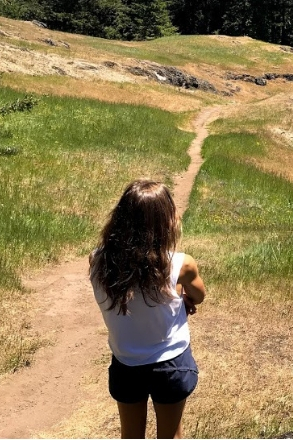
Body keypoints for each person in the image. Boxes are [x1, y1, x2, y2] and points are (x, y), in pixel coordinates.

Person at [90, 179, 207, 439]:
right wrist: (181, 297)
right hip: (170, 362)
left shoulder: (98, 260)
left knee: (130, 435)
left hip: (126, 362)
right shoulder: (180, 264)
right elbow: (198, 295)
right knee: (170, 436)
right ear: (164, 221)